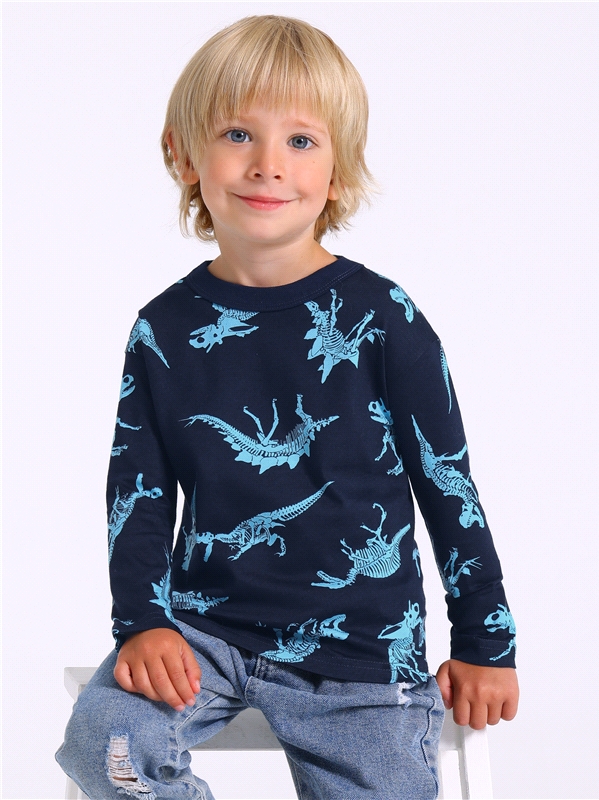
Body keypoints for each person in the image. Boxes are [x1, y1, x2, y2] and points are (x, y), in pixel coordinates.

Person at [56, 15, 518, 800]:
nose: (267, 164)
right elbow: (136, 493)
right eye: (237, 133)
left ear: (338, 172)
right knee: (109, 747)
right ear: (182, 153)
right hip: (203, 634)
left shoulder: (383, 317)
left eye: (301, 141)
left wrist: (486, 639)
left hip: (361, 654)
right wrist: (142, 622)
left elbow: (447, 483)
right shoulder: (163, 328)